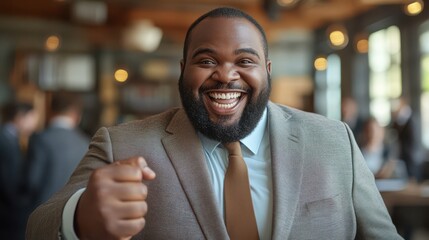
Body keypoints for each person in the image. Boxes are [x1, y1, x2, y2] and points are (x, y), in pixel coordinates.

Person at [26, 7, 403, 240]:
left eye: (245, 61)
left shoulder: (334, 140)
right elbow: (38, 227)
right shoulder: (121, 145)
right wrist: (81, 219)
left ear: (267, 72)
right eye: (206, 60)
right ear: (183, 70)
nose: (226, 75)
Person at [25, 92, 90, 208]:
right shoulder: (85, 142)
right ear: (76, 114)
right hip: (73, 214)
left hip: (41, 213)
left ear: (50, 110)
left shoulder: (40, 139)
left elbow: (31, 181)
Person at [0, 100, 38, 240]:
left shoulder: (11, 137)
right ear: (20, 117)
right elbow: (7, 180)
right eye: (32, 117)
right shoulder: (4, 139)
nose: (34, 124)